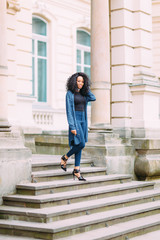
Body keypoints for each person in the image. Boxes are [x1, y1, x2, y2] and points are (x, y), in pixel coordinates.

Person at [60, 72, 96, 181]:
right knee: (81, 144)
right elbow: (69, 112)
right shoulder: (69, 94)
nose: (80, 83)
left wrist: (86, 88)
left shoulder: (84, 94)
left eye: (82, 82)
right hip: (75, 121)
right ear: (74, 81)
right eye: (78, 81)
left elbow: (93, 97)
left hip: (83, 121)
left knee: (80, 144)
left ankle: (76, 170)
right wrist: (72, 126)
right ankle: (65, 157)